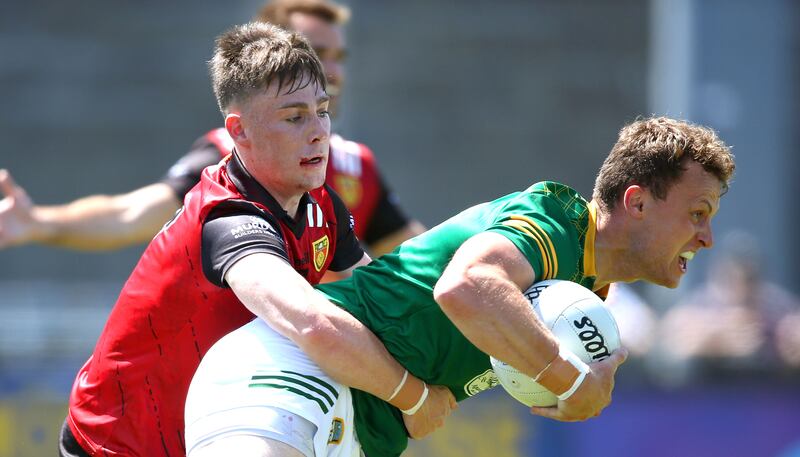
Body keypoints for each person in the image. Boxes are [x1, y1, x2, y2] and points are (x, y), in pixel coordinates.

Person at [184, 116, 736, 457]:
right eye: (698, 213)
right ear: (636, 202)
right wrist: (569, 382)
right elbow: (467, 287)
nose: (707, 237)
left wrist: (569, 390)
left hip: (357, 431)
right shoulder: (556, 222)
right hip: (296, 371)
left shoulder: (592, 288)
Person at [59, 23, 454, 457]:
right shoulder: (228, 218)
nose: (319, 130)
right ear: (239, 130)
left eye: (321, 110)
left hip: (210, 436)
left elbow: (385, 309)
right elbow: (313, 324)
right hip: (115, 445)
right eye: (294, 117)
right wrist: (413, 398)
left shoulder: (321, 204)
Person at [0, 0, 424, 256]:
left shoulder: (355, 164)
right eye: (316, 53)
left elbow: (415, 255)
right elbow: (134, 213)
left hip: (333, 377)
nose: (330, 69)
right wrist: (41, 222)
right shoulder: (231, 156)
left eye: (339, 57)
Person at [658, 230, 800, 384]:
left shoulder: (774, 306)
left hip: (772, 397)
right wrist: (712, 341)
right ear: (717, 276)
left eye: (749, 280)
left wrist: (786, 342)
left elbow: (793, 326)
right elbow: (662, 349)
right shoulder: (700, 306)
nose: (740, 292)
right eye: (731, 280)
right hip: (707, 398)